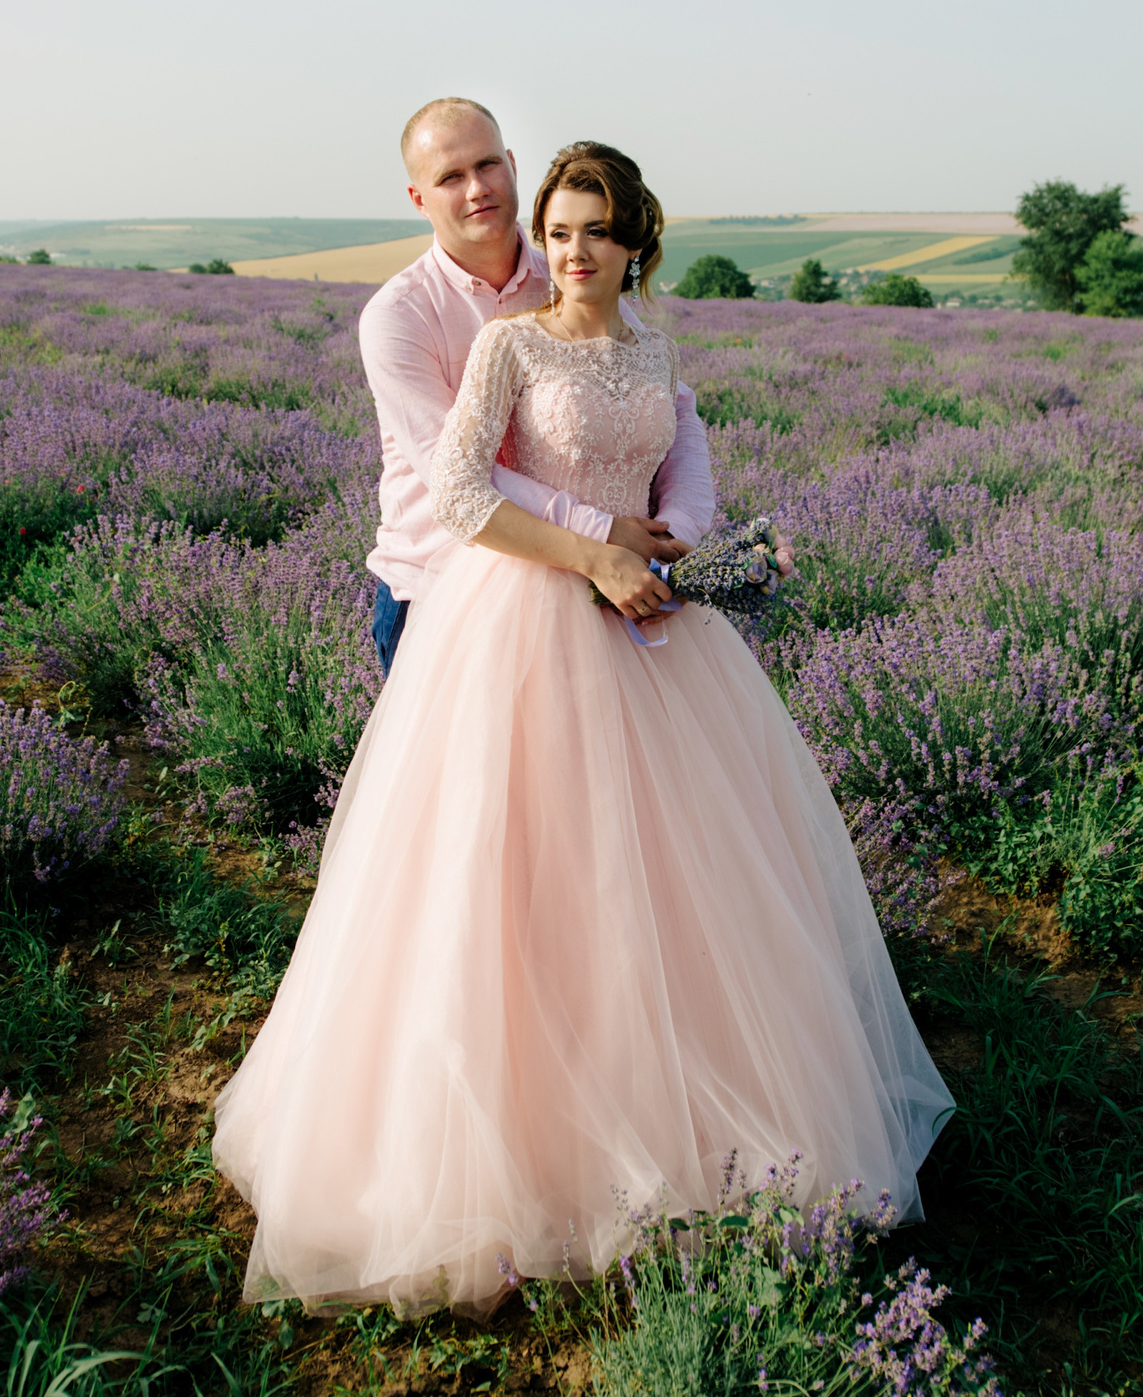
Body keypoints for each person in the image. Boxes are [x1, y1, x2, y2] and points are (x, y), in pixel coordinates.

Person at [211, 140, 951, 1319]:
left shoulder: (659, 349)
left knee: (668, 879)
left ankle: (669, 1123)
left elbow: (686, 462)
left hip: (654, 631)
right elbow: (460, 490)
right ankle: (511, 1151)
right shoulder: (503, 343)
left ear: (634, 240)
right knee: (512, 872)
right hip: (520, 623)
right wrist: (594, 554)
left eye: (593, 230)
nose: (570, 249)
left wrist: (680, 534)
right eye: (557, 231)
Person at [354, 98, 713, 673]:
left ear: (514, 165)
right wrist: (602, 535)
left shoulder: (574, 268)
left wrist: (675, 536)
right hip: (437, 587)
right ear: (419, 199)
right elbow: (453, 471)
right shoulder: (399, 316)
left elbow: (667, 404)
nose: (477, 188)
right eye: (451, 177)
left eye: (488, 164)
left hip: (600, 583)